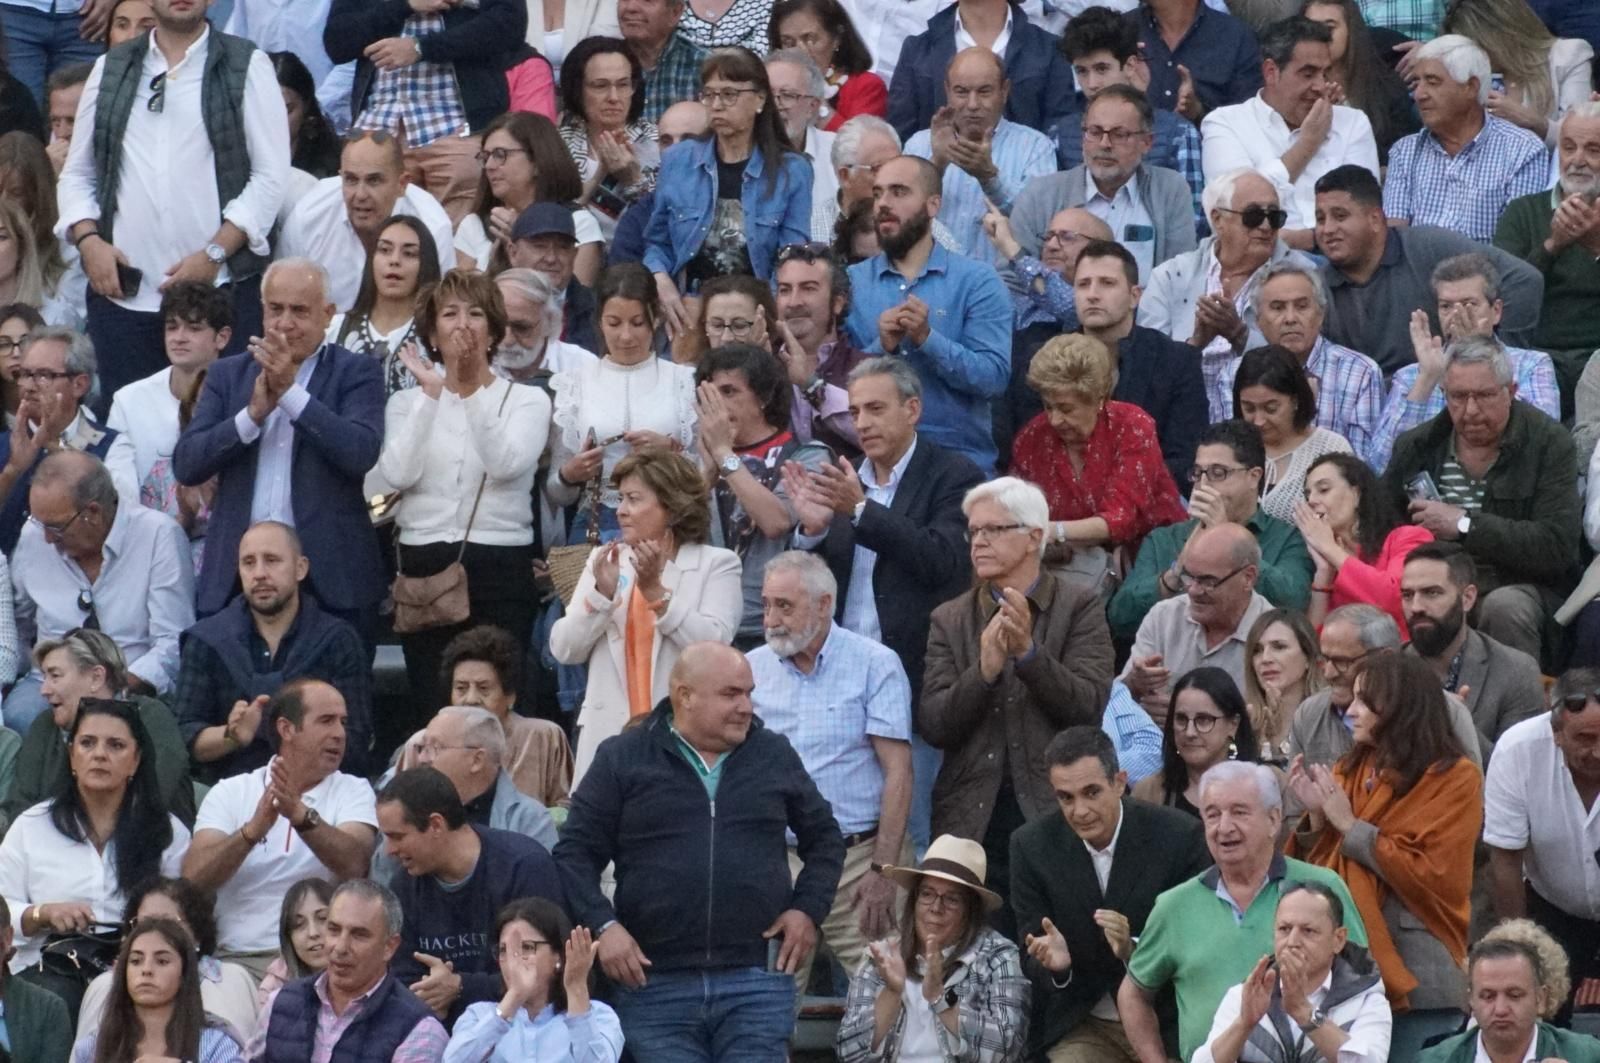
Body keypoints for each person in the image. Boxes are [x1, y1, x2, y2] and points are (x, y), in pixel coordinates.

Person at [554, 642, 845, 1060]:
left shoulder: (773, 754)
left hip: (756, 981)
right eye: (731, 694)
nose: (746, 706)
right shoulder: (623, 758)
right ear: (684, 696)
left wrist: (808, 910)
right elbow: (574, 854)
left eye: (748, 692)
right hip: (652, 983)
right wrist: (604, 926)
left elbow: (826, 838)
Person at [785, 357, 982, 848]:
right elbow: (825, 580)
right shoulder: (845, 477)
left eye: (876, 408)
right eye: (854, 411)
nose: (863, 423)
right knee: (841, 824)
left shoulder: (952, 475)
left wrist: (859, 510)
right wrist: (812, 532)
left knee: (911, 834)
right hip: (843, 679)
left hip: (914, 679)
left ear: (912, 408)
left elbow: (942, 561)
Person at [57, 0, 288, 407]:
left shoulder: (246, 64)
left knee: (222, 434)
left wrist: (214, 254)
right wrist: (89, 241)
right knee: (131, 436)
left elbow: (270, 177)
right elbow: (78, 174)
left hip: (219, 296)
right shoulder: (111, 67)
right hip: (125, 298)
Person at [923, 477, 1114, 914]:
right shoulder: (949, 620)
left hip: (1054, 811)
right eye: (973, 531)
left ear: (1033, 537)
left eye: (994, 530)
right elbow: (934, 722)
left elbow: (1088, 708)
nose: (979, 541)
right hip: (971, 816)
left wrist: (1029, 655)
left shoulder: (1079, 606)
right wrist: (984, 672)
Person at [174, 259, 386, 644]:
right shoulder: (228, 374)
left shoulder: (357, 372)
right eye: (275, 309)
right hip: (237, 581)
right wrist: (252, 416)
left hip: (330, 578)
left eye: (299, 311)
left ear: (328, 315)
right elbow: (188, 463)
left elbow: (360, 452)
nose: (285, 323)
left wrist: (290, 395)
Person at [377, 269, 550, 734]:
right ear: (432, 333)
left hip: (499, 564)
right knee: (433, 706)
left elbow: (507, 464)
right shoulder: (406, 402)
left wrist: (472, 391)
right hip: (424, 564)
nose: (463, 324)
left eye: (476, 313)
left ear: (493, 329)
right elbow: (397, 474)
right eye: (449, 314)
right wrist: (431, 398)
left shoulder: (527, 400)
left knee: (499, 706)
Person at [1286, 652, 1480, 1055]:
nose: (1350, 711)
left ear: (1396, 707)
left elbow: (1434, 874)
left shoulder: (1456, 777)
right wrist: (1317, 820)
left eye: (1363, 701)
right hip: (1345, 977)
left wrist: (1350, 827)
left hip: (1421, 978)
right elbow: (1314, 877)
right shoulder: (1350, 768)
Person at [1116, 761, 1368, 1063]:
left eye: (1239, 812)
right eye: (1212, 814)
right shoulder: (1175, 905)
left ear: (1274, 820)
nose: (1224, 827)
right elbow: (1133, 993)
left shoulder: (1321, 890)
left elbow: (1364, 987)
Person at [748, 550, 911, 989]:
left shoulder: (875, 663)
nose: (771, 618)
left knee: (889, 998)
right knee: (768, 1008)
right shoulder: (751, 670)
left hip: (858, 860)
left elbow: (899, 772)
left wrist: (884, 872)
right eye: (766, 604)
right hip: (777, 863)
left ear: (824, 605)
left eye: (785, 605)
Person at [1008, 726, 1206, 1063]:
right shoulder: (1031, 846)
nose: (1080, 810)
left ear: (1119, 782)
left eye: (1091, 792)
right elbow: (1032, 954)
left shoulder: (1178, 836)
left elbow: (1196, 940)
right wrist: (1057, 967)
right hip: (1084, 1023)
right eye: (1065, 797)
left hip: (1166, 1021)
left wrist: (1134, 949)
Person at [1382, 338, 1580, 664]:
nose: (1471, 410)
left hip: (1519, 584)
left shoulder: (1549, 442)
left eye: (1485, 395)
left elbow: (1557, 547)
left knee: (1505, 606)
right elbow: (1383, 526)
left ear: (1511, 391)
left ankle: (1517, 708)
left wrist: (1463, 525)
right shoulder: (1416, 445)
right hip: (1433, 580)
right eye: (1458, 397)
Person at [550, 449, 742, 780]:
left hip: (681, 739)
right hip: (607, 740)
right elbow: (564, 649)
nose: (621, 511)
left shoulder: (717, 563)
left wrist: (656, 593)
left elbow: (714, 647)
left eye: (633, 499)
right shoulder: (604, 559)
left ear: (672, 504)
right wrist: (601, 596)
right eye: (620, 499)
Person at [182, 679, 378, 979]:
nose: (339, 733)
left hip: (323, 961)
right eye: (326, 721)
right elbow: (193, 881)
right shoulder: (231, 792)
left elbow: (356, 865)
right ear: (287, 729)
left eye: (343, 722)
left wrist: (301, 816)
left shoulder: (354, 790)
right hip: (239, 961)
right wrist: (251, 831)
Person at [0, 699, 189, 1006]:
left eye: (116, 745)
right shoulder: (31, 826)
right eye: (87, 743)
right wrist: (43, 913)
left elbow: (184, 916)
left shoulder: (166, 832)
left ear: (136, 760)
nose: (100, 754)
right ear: (72, 756)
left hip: (140, 970)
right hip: (48, 970)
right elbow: (3, 908)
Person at [9, 451, 195, 735]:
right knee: (18, 719)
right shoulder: (33, 536)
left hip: (130, 685)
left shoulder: (158, 535)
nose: (46, 538)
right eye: (40, 524)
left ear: (93, 513)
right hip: (47, 685)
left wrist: (110, 689)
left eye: (56, 527)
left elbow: (172, 644)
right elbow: (18, 626)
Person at [998, 234, 1205, 488]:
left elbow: (1183, 457)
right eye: (1083, 284)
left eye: (1107, 283)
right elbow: (1024, 448)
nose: (1093, 295)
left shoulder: (1176, 361)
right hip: (1056, 499)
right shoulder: (1040, 358)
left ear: (1134, 296)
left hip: (1149, 502)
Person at [843, 155, 1009, 472]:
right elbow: (838, 383)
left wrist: (928, 339)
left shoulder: (978, 281)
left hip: (958, 464)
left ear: (933, 205)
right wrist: (882, 347)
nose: (883, 204)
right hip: (877, 466)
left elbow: (993, 378)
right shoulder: (851, 282)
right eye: (877, 193)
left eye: (899, 192)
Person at [173, 521, 372, 782]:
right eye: (248, 562)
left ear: (301, 569)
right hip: (227, 792)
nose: (259, 573)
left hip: (320, 791)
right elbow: (183, 739)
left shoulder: (337, 640)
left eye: (272, 560)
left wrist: (297, 737)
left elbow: (355, 740)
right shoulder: (207, 640)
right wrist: (232, 736)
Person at [1314, 163, 1545, 375]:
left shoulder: (1429, 246)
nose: (1327, 229)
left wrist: (1496, 361)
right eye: (1320, 219)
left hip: (1445, 394)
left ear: (1375, 219)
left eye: (1340, 216)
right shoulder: (1316, 286)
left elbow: (1523, 280)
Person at [375, 767, 564, 1025]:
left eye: (397, 837)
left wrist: (460, 987)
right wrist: (431, 996)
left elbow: (547, 967)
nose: (389, 850)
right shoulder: (404, 886)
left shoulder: (523, 866)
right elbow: (400, 977)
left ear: (436, 825)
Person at [647, 46, 811, 329]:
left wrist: (760, 316)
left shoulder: (792, 170)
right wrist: (659, 278)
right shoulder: (679, 160)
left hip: (757, 310)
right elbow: (657, 242)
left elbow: (791, 258)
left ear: (760, 99)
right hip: (690, 306)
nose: (717, 104)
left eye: (729, 94)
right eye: (709, 94)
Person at [1110, 420, 1314, 642]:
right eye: (1198, 473)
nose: (1202, 485)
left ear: (1253, 476)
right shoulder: (1165, 539)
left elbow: (1293, 605)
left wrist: (1225, 534)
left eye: (1218, 473)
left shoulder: (1288, 537)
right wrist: (1173, 576)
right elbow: (1120, 619)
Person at [324, 0, 526, 225]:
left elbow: (511, 25)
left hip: (457, 122)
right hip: (379, 125)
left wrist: (422, 47)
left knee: (461, 243)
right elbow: (337, 43)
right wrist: (405, 5)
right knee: (377, 244)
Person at [1009, 334, 1187, 587]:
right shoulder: (1032, 438)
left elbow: (1120, 520)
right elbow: (1018, 513)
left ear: (1099, 400)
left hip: (1153, 561)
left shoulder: (1133, 426)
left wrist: (1052, 531)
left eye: (1066, 409)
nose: (1054, 420)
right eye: (1048, 407)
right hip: (1069, 566)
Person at [836, 833, 1029, 1061]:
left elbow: (1007, 1051)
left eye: (951, 899)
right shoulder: (882, 956)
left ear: (971, 910)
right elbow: (847, 1055)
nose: (936, 907)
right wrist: (891, 992)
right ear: (914, 901)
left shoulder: (998, 957)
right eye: (927, 894)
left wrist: (940, 998)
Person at [545, 264, 698, 540]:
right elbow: (557, 492)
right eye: (614, 323)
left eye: (637, 323)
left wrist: (671, 453)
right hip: (596, 520)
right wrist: (571, 474)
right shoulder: (574, 383)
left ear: (656, 318)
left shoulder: (685, 381)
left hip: (669, 517)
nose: (626, 336)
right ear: (599, 322)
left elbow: (706, 478)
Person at [1201, 16, 1379, 250]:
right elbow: (1237, 211)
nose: (1319, 86)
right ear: (1271, 72)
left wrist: (1303, 239)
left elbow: (1362, 213)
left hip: (1342, 263)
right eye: (1308, 74)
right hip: (1261, 264)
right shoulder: (1225, 123)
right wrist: (1308, 144)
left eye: (1325, 74)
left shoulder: (1352, 122)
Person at [1370, 253, 1561, 472]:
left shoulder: (1532, 365)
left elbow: (1542, 445)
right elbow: (1379, 465)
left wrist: (1479, 355)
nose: (1456, 314)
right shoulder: (1411, 376)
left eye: (1469, 304)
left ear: (1496, 311)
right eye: (1446, 307)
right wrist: (1427, 380)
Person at [693, 343, 829, 645]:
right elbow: (677, 535)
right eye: (710, 395)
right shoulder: (698, 458)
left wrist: (724, 455)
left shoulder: (806, 455)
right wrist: (706, 475)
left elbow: (775, 522)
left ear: (764, 397)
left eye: (729, 392)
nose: (718, 405)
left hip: (774, 626)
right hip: (707, 623)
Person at [1485, 667, 1600, 1011]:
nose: (1597, 752)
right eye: (1584, 739)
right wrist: (1520, 947)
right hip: (1551, 908)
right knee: (1541, 1014)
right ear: (1556, 733)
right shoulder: (1517, 751)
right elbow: (1505, 859)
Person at [1286, 605, 1484, 801]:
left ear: (1386, 658)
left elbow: (1469, 806)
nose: (1328, 673)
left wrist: (1350, 826)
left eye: (1342, 661)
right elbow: (1294, 815)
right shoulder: (1309, 714)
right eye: (1324, 659)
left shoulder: (1447, 712)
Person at [5, 630, 194, 834]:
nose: (44, 690)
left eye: (55, 676)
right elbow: (19, 807)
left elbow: (154, 798)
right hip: (50, 854)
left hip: (145, 851)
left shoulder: (151, 717)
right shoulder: (45, 725)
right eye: (44, 677)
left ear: (96, 677)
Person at [1138, 169, 1316, 381]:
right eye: (1253, 216)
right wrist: (1196, 343)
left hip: (1262, 405)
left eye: (1275, 217)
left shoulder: (1301, 276)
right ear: (1218, 219)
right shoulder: (1169, 276)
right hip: (1185, 403)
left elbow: (1305, 360)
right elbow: (1148, 367)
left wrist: (1239, 334)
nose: (1266, 226)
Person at [1011, 87, 1197, 286]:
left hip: (1147, 315)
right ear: (1083, 137)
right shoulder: (1041, 195)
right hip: (1052, 315)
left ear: (1147, 142)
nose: (1105, 144)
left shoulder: (1169, 190)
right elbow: (1013, 279)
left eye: (1119, 134)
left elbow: (1179, 280)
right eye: (1095, 132)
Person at [250, 878, 449, 1062]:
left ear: (389, 946)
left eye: (359, 935)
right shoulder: (280, 1003)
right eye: (334, 930)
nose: (340, 947)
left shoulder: (419, 1032)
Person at [1193, 883, 1391, 1063]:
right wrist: (1244, 1024)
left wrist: (1304, 1013)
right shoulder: (1245, 995)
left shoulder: (1365, 999)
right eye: (1284, 929)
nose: (1292, 941)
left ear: (1338, 939)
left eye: (1308, 931)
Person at [1384, 35, 1548, 242]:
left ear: (1470, 87)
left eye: (1432, 82)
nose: (1419, 94)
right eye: (1417, 83)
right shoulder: (1404, 151)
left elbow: (1515, 246)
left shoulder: (1523, 150)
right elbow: (1395, 241)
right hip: (1418, 271)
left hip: (1490, 271)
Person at [1051, 7, 1204, 226]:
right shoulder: (1059, 136)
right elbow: (1049, 216)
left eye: (1102, 69)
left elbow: (1192, 222)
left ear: (1130, 65)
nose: (1092, 83)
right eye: (1082, 71)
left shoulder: (1178, 134)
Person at [902, 49, 1053, 269]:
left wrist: (990, 178)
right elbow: (901, 217)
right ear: (947, 91)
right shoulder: (918, 144)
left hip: (1005, 288)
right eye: (961, 92)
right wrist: (937, 166)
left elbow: (1040, 225)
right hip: (931, 284)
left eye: (984, 92)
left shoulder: (1036, 147)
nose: (972, 104)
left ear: (1005, 90)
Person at [1217, 262, 1382, 463]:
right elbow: (1230, 456)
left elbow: (1362, 466)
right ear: (1258, 320)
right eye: (1277, 308)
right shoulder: (1233, 375)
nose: (1290, 318)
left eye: (1302, 306)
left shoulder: (1360, 373)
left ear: (1321, 314)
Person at [1498, 103, 1600, 426]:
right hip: (1536, 357)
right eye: (1568, 148)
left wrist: (1596, 247)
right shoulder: (1523, 212)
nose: (1578, 160)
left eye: (1593, 149)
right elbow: (1502, 298)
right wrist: (1553, 245)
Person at [276, 131, 455, 313]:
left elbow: (439, 312)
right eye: (351, 180)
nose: (360, 195)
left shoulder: (433, 226)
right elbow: (279, 295)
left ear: (402, 184)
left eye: (374, 181)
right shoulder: (309, 215)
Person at [1399, 542, 1545, 758]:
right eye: (1407, 595)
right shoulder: (1389, 670)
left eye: (1432, 593)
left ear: (1467, 598)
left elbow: (1518, 774)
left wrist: (1457, 724)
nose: (1416, 607)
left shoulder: (1517, 671)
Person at [0, 327, 139, 553]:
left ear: (80, 384)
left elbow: (125, 514)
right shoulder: (6, 444)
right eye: (24, 374)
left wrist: (54, 446)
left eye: (44, 375)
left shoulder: (111, 445)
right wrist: (13, 470)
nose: (29, 386)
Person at [77, 877, 261, 1045]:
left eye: (168, 923)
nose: (155, 931)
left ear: (196, 934)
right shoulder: (105, 986)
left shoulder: (231, 980)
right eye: (144, 923)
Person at [1120, 523, 1273, 726]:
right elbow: (1115, 705)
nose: (1193, 590)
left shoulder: (1273, 635)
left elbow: (1275, 724)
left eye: (1207, 581)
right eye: (1188, 577)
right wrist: (1134, 684)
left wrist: (1186, 718)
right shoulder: (1164, 617)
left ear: (1248, 577)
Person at [106, 282, 231, 522]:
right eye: (172, 327)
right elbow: (121, 490)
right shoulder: (128, 401)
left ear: (222, 338)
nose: (179, 338)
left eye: (194, 328)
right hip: (150, 540)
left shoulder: (242, 396)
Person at [442, 897, 624, 1063]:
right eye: (504, 950)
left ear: (558, 956)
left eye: (527, 948)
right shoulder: (479, 1015)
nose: (513, 960)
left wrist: (577, 990)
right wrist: (513, 998)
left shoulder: (599, 1016)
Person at [885, 0, 1073, 140]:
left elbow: (1059, 135)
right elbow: (899, 137)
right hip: (938, 185)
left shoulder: (1050, 50)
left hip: (1028, 184)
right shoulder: (917, 49)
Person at [70, 917, 244, 1063]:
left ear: (184, 974)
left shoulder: (216, 1043)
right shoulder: (92, 1048)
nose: (146, 970)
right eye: (136, 961)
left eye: (162, 961)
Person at [1298, 452, 1433, 633]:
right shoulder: (1327, 562)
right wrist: (1323, 574)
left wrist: (1330, 549)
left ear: (1356, 494)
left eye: (1323, 490)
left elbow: (1395, 599)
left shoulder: (1410, 537)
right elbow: (1313, 643)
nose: (1312, 501)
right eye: (1308, 495)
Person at [456, 112, 599, 279]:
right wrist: (496, 262)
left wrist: (524, 241)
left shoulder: (579, 223)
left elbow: (575, 300)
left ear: (537, 161)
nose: (489, 166)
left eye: (500, 155)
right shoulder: (475, 225)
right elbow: (463, 300)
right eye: (485, 157)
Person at [1417, 936, 1600, 1062]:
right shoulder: (1434, 1060)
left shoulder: (1588, 1056)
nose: (1501, 1009)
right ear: (1470, 1001)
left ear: (1541, 998)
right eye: (1488, 996)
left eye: (1514, 995)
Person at [1442, 0, 1594, 147]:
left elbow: (1581, 139)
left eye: (1477, 46)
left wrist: (1532, 122)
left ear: (1501, 34)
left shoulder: (1569, 55)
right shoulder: (1475, 75)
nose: (1474, 56)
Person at [405, 705, 558, 850]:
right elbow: (386, 875)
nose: (422, 758)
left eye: (435, 748)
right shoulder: (411, 807)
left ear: (477, 760)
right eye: (422, 747)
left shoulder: (529, 820)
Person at [1232, 345, 1353, 525]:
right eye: (1248, 408)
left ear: (1295, 401)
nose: (1258, 420)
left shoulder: (1330, 448)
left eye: (1271, 409)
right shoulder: (1229, 447)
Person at [327, 215, 442, 400]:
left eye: (409, 254)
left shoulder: (439, 338)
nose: (394, 260)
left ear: (425, 264)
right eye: (385, 250)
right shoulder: (335, 330)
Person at [771, 241, 869, 457]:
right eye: (785, 290)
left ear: (838, 303)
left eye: (808, 288)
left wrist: (811, 385)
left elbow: (887, 438)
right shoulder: (763, 365)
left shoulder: (867, 369)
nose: (794, 302)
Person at [560, 38, 662, 244]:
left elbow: (664, 222)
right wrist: (599, 176)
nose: (614, 97)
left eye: (623, 85)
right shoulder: (558, 144)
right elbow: (552, 219)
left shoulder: (657, 140)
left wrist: (634, 181)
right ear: (577, 89)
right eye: (600, 86)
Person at [1132, 666, 1262, 816]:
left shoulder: (1265, 784)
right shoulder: (1148, 793)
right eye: (1181, 719)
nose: (1190, 732)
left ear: (1233, 724)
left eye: (1204, 720)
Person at [1300, 0, 1419, 163]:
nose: (1320, 36)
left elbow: (1400, 153)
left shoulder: (1386, 85)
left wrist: (1345, 116)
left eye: (1329, 28)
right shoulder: (1294, 87)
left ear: (1350, 30)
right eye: (1311, 29)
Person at [1132, 0, 1263, 118]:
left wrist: (1198, 111)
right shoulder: (1124, 28)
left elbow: (1247, 119)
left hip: (1209, 143)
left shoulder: (1236, 37)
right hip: (1129, 141)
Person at [770, 0, 885, 130]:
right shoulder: (771, 86)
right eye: (788, 42)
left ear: (837, 38)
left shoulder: (866, 86)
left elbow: (859, 147)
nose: (799, 51)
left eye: (810, 39)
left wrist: (815, 102)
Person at [507, 203, 604, 357]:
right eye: (539, 246)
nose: (551, 258)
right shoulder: (488, 307)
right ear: (513, 253)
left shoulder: (599, 313)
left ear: (574, 254)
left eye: (562, 247)